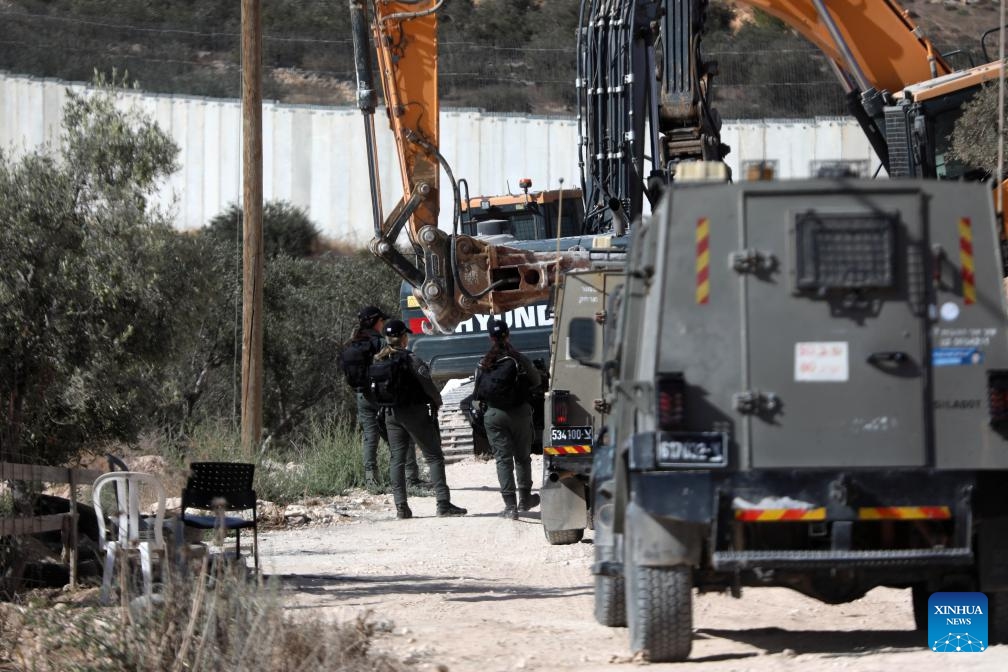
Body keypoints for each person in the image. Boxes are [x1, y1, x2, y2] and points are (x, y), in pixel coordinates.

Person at [371, 319, 467, 519]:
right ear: (403, 338)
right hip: (415, 413)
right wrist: (437, 401)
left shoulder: (378, 359)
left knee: (397, 460)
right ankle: (443, 503)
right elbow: (428, 385)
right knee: (433, 456)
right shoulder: (411, 359)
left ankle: (401, 507)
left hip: (391, 414)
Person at [341, 305, 426, 492]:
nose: (383, 324)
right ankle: (411, 478)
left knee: (370, 438)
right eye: (381, 321)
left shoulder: (352, 342)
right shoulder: (379, 343)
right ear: (375, 322)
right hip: (382, 396)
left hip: (361, 395)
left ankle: (371, 482)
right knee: (402, 435)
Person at [474, 320, 542, 520]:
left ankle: (510, 507)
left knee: (503, 460)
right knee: (522, 458)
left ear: (490, 338)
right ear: (508, 335)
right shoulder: (518, 359)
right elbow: (536, 381)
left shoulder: (482, 362)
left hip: (494, 415)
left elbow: (477, 394)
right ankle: (526, 499)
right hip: (519, 414)